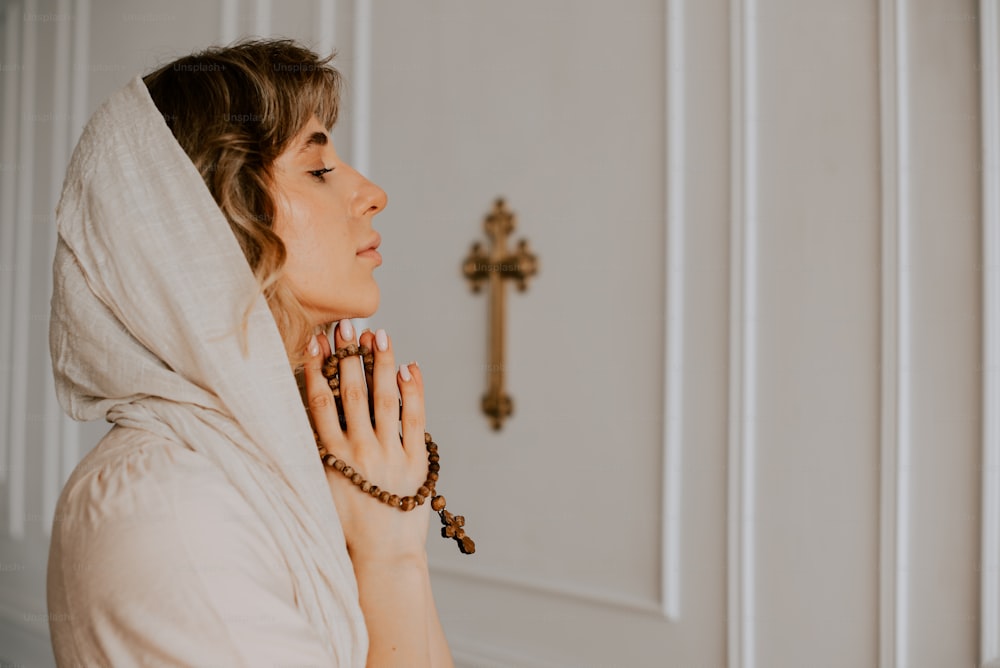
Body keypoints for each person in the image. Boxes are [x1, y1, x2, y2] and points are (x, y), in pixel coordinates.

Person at [46, 39, 453, 666]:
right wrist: (389, 552)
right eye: (318, 169)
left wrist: (395, 539)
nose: (373, 193)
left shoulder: (286, 457)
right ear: (205, 224)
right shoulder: (167, 506)